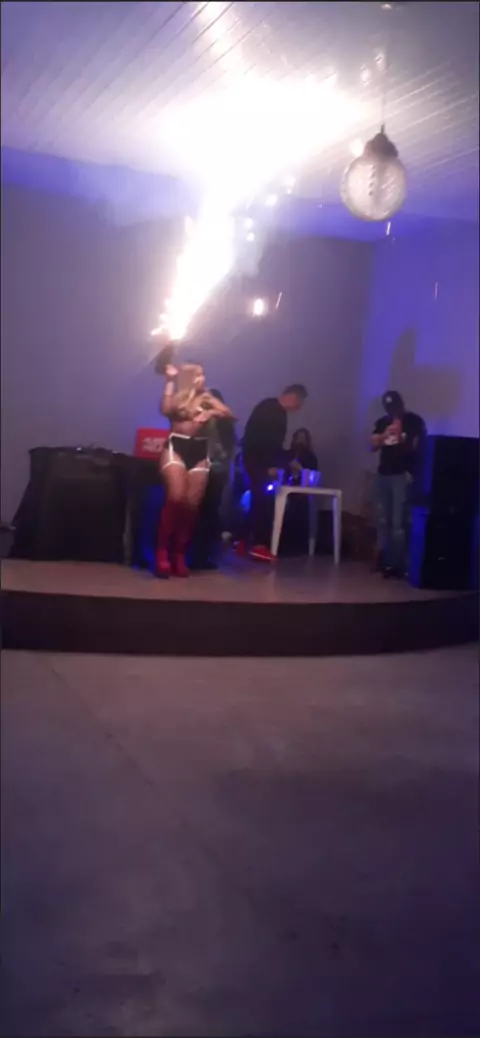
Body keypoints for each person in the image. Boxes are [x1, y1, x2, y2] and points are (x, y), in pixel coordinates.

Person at [156, 360, 234, 577]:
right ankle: (162, 552)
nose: (203, 379)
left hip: (200, 452)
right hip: (177, 448)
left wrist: (211, 413)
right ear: (189, 378)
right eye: (198, 375)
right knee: (176, 498)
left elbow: (230, 414)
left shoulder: (208, 398)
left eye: (204, 374)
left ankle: (179, 554)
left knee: (191, 506)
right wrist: (169, 381)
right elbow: (165, 409)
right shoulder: (177, 396)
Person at [238, 383, 308, 561]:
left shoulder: (268, 407)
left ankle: (243, 540)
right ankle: (259, 545)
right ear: (294, 397)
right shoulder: (273, 411)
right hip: (258, 462)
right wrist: (269, 465)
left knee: (257, 499)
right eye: (300, 403)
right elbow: (266, 441)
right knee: (263, 501)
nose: (299, 408)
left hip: (252, 459)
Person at [371, 390, 425, 578]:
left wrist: (401, 437)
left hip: (402, 475)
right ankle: (384, 560)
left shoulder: (414, 421)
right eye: (388, 407)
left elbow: (417, 448)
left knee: (398, 522)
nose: (391, 410)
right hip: (383, 475)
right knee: (382, 520)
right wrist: (383, 436)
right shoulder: (382, 422)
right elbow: (372, 446)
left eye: (393, 405)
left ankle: (397, 565)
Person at [190, 389, 237, 570]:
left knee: (203, 511)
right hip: (214, 471)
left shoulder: (214, 422)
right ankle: (201, 555)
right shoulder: (223, 424)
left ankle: (198, 555)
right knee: (207, 511)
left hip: (210, 470)